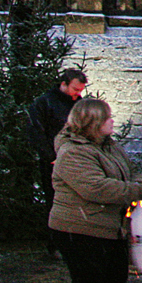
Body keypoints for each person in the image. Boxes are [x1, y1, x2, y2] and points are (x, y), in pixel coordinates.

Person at [49, 97, 142, 283]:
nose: (112, 121)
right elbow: (97, 188)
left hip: (110, 228)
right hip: (81, 229)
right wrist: (141, 191)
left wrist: (139, 185)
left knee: (115, 278)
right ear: (92, 123)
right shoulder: (73, 152)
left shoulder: (109, 146)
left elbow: (131, 171)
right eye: (107, 118)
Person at [27, 68, 88, 249]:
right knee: (56, 202)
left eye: (81, 91)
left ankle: (76, 241)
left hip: (78, 160)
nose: (78, 94)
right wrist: (51, 157)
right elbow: (36, 132)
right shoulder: (44, 103)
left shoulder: (79, 104)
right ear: (63, 84)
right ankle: (56, 245)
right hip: (54, 163)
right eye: (75, 89)